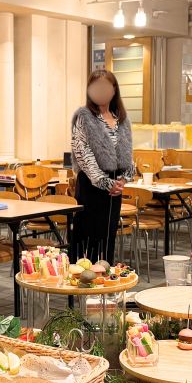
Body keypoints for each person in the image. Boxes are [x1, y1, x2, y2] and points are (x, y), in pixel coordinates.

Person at [69, 69, 134, 262]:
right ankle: (83, 276)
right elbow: (82, 153)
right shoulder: (83, 116)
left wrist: (123, 180)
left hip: (115, 190)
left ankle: (105, 274)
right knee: (88, 236)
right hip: (92, 185)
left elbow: (128, 154)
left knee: (107, 237)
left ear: (114, 90)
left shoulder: (121, 118)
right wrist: (105, 183)